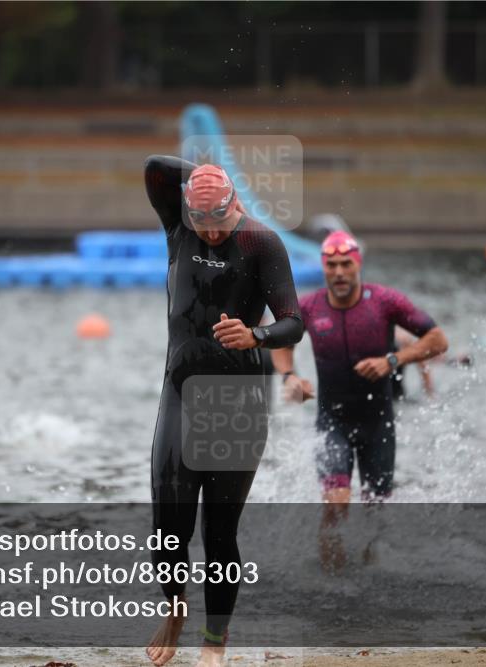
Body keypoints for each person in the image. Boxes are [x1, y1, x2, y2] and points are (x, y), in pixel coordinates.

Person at [143, 156, 303, 667]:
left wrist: (256, 334)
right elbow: (153, 166)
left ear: (235, 206)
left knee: (219, 532)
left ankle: (214, 643)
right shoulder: (178, 228)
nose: (211, 232)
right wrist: (208, 177)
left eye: (219, 218)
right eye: (201, 220)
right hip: (180, 395)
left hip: (239, 402)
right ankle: (175, 606)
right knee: (168, 529)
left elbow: (294, 322)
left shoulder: (261, 242)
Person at [272, 231, 448, 504]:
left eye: (346, 264)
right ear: (323, 268)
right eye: (332, 265)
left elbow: (438, 340)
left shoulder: (384, 301)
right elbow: (281, 343)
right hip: (332, 423)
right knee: (336, 503)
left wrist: (392, 361)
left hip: (378, 425)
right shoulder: (309, 306)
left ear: (358, 264)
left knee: (375, 511)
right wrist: (289, 376)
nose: (339, 272)